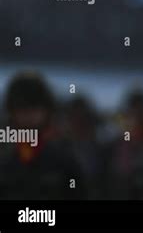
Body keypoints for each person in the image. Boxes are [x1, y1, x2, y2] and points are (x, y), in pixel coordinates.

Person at [0, 71, 84, 199]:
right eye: (22, 109)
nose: (28, 116)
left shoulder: (65, 160)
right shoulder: (5, 159)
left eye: (34, 108)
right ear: (12, 112)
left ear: (47, 112)